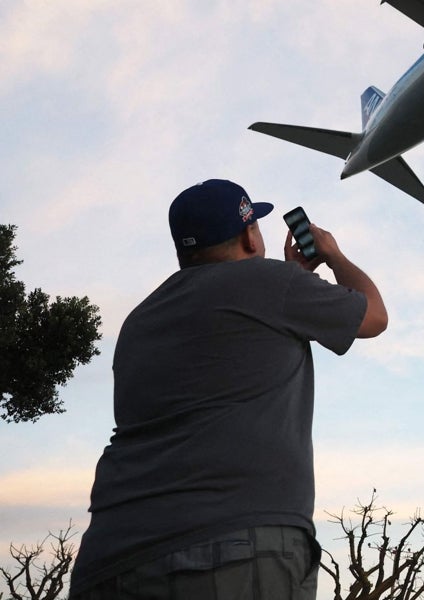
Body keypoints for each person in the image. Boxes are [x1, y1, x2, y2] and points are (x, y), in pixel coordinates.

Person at [69, 179, 388, 600]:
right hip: (234, 547)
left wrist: (288, 281)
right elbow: (374, 317)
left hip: (110, 557)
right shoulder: (272, 284)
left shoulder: (139, 320)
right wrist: (333, 255)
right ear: (249, 237)